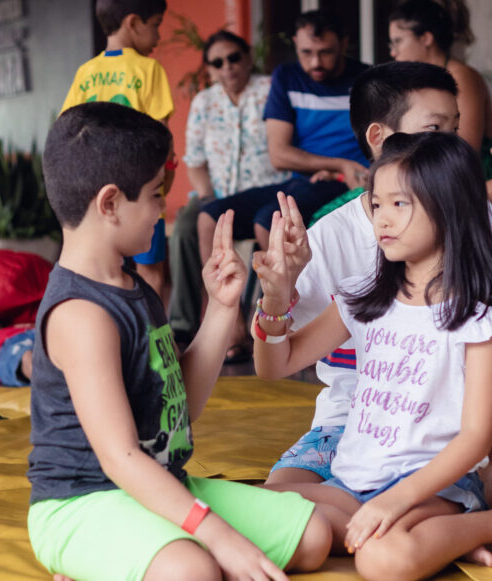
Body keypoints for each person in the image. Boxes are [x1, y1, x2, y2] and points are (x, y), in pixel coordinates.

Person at [253, 132, 492, 578]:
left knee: (381, 560)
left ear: (450, 209)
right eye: (377, 204)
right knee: (260, 516)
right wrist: (275, 300)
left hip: (433, 487)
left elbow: (474, 439)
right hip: (349, 483)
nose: (382, 219)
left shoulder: (477, 316)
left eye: (400, 204)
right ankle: (454, 538)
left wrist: (396, 500)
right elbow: (274, 365)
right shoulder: (359, 299)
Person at [26, 102, 331, 581]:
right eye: (154, 195)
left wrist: (221, 308)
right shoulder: (82, 315)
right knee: (194, 570)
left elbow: (176, 409)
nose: (163, 209)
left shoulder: (132, 286)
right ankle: (90, 559)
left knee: (313, 538)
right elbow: (120, 458)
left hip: (161, 484)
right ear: (109, 204)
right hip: (80, 504)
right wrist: (218, 534)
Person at [265, 63, 492, 511]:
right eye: (435, 128)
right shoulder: (331, 239)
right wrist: (275, 293)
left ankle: (451, 516)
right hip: (348, 423)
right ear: (380, 138)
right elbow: (280, 354)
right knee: (277, 501)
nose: (451, 142)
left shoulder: (470, 218)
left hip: (445, 427)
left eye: (454, 128)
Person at [196, 9, 369, 362]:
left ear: (344, 45)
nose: (315, 62)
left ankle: (286, 325)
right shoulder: (287, 76)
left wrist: (347, 170)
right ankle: (231, 329)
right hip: (304, 178)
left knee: (267, 222)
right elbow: (279, 153)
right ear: (296, 47)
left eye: (325, 52)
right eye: (306, 52)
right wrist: (333, 163)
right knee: (209, 217)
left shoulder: (366, 79)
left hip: (345, 184)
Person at [168, 30, 290, 348]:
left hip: (266, 192)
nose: (228, 67)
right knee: (183, 226)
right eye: (218, 62)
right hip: (218, 195)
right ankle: (184, 323)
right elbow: (193, 160)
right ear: (209, 68)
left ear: (248, 58)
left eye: (234, 58)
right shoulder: (204, 102)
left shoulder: (270, 90)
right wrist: (207, 196)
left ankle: (257, 321)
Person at [60, 0, 175, 298]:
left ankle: (117, 338)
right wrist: (166, 182)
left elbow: (68, 131)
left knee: (105, 271)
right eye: (156, 25)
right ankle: (154, 341)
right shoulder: (149, 69)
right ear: (134, 23)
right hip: (142, 194)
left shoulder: (86, 72)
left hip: (99, 198)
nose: (158, 36)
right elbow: (162, 138)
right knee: (151, 272)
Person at [388, 0, 492, 178]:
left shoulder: (461, 77)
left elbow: (465, 149)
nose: (393, 52)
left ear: (426, 38)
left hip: (463, 178)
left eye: (398, 41)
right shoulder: (419, 79)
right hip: (426, 171)